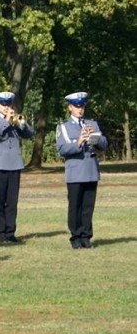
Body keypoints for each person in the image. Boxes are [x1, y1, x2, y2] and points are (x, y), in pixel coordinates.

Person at [56, 92, 108, 249]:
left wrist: (95, 137)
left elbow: (104, 144)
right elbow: (62, 149)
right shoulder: (63, 126)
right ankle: (75, 237)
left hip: (91, 170)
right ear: (70, 107)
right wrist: (78, 141)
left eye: (82, 106)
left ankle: (86, 237)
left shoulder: (92, 123)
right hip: (75, 172)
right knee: (75, 206)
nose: (80, 109)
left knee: (88, 206)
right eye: (77, 106)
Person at [0, 91, 34, 243]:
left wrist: (22, 123)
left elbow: (29, 134)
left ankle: (10, 232)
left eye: (9, 104)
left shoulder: (15, 119)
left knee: (12, 201)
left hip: (14, 164)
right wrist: (6, 121)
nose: (6, 107)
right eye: (3, 104)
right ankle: (1, 233)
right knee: (0, 201)